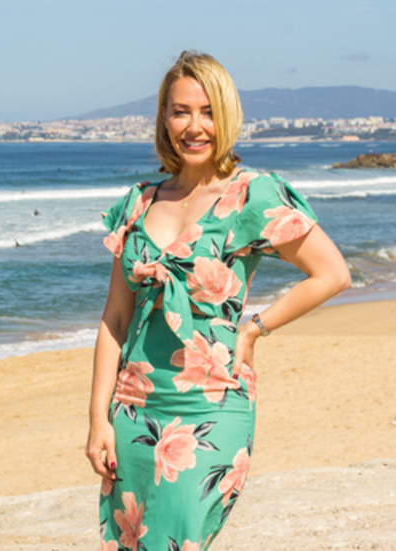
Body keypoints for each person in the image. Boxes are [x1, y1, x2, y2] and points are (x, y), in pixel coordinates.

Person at [86, 51, 350, 550]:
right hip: (135, 404)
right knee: (133, 541)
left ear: (227, 116)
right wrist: (97, 418)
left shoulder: (253, 195)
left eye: (207, 111)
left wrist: (255, 328)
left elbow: (332, 273)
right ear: (163, 118)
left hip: (214, 401)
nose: (193, 126)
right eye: (180, 111)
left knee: (182, 540)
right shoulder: (139, 202)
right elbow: (115, 319)